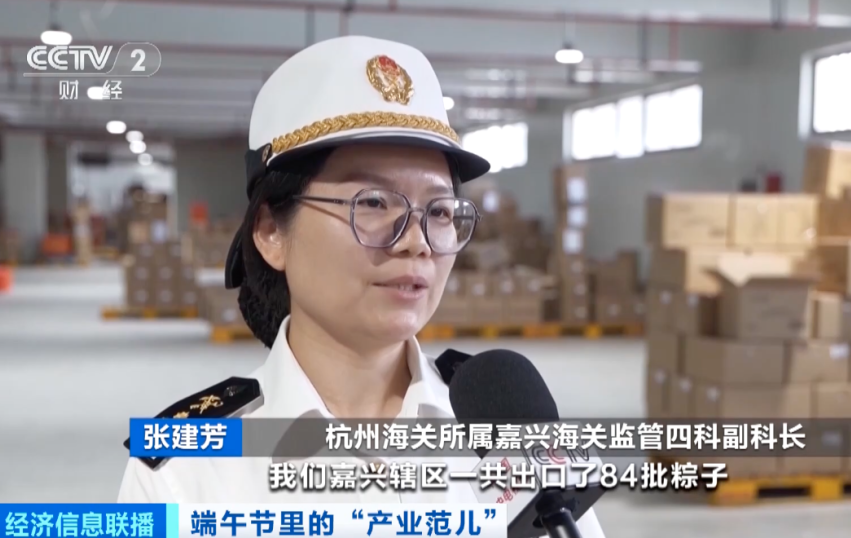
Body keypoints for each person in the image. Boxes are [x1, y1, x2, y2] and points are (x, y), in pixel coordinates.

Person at [116, 35, 607, 537]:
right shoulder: (185, 471)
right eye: (372, 203)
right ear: (269, 232)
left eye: (439, 211)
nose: (416, 242)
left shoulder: (510, 431)